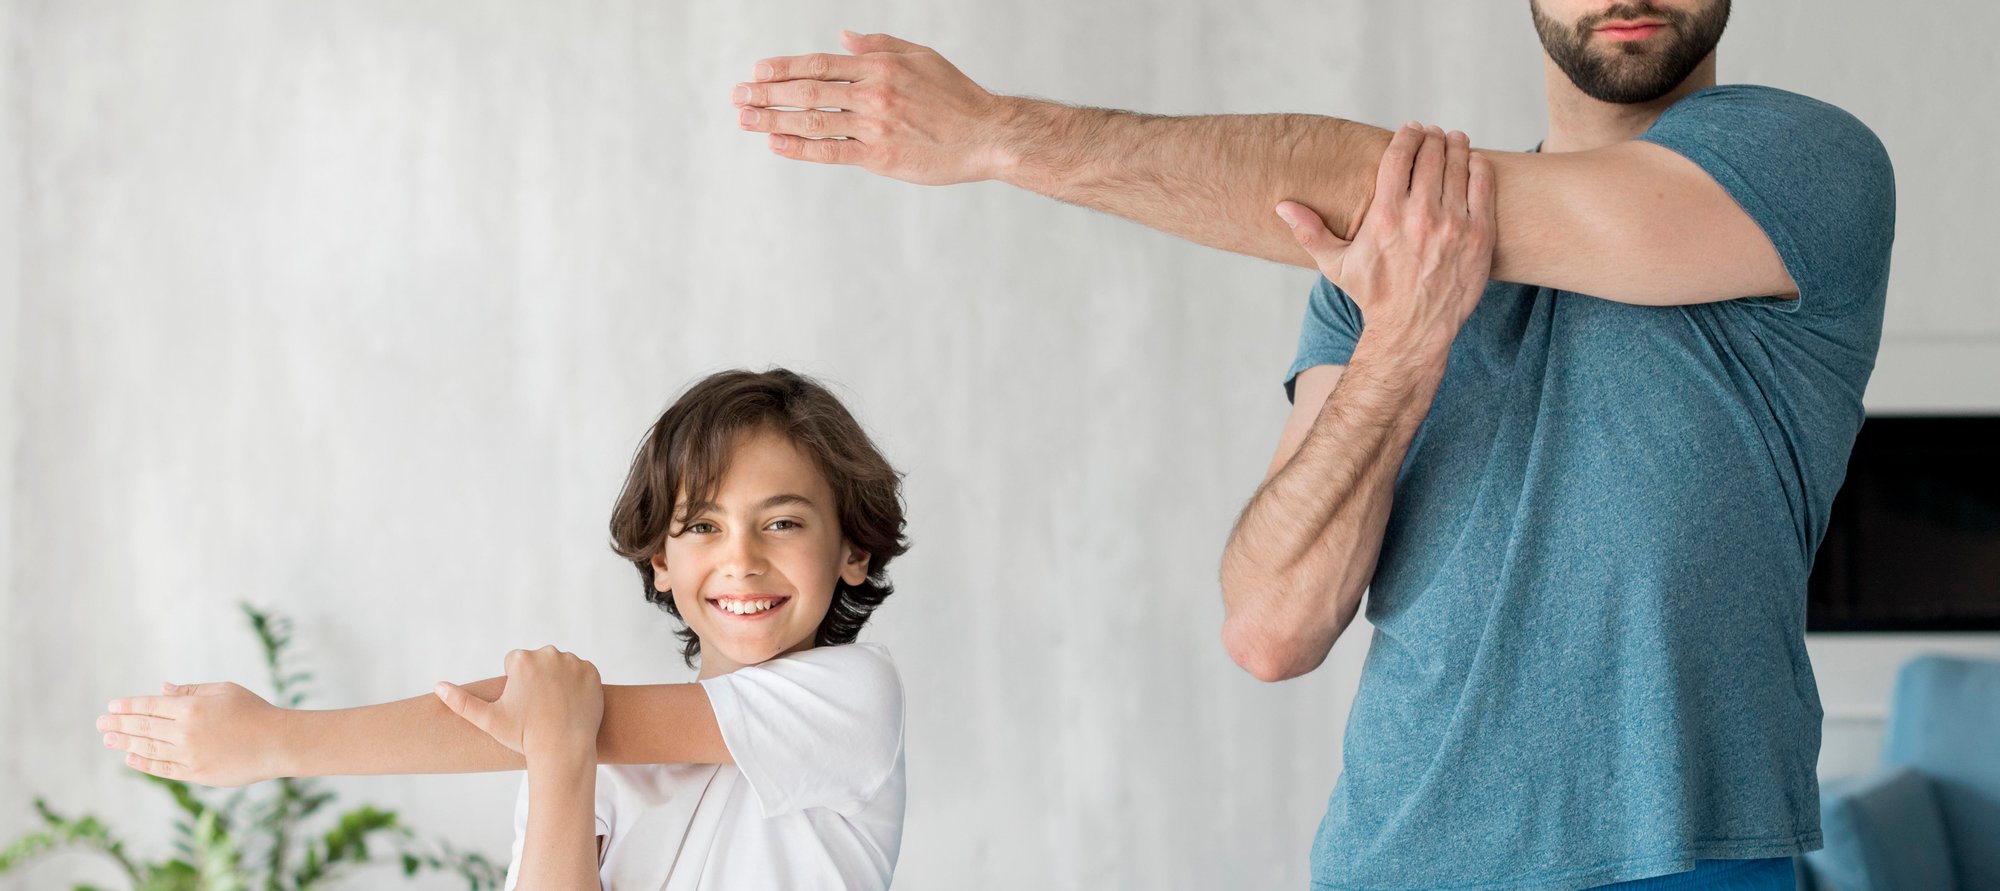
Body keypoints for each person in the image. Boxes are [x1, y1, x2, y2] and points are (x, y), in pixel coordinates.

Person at [730, 2, 1893, 888]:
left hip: (1676, 850)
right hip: (1389, 859)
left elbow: (1405, 195)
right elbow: (1271, 627)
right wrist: (1402, 341)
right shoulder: (1380, 272)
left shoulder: (1799, 162)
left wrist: (997, 134)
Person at [97, 368, 912, 890]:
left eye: (781, 523)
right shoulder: (583, 754)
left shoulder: (853, 697)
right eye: (701, 526)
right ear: (658, 560)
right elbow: (552, 722)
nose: (739, 560)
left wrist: (279, 740)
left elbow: (555, 716)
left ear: (853, 549)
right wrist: (558, 753)